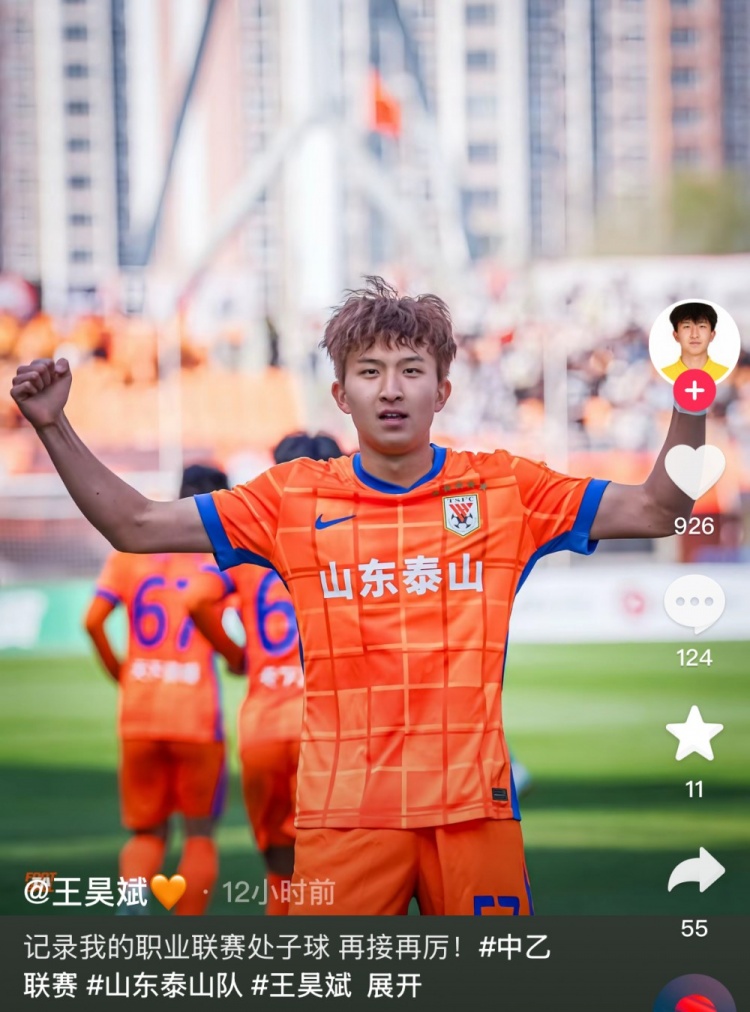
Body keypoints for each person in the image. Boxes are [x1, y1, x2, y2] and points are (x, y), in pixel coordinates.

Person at [11, 276, 705, 915]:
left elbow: (658, 508)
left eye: (411, 371)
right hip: (346, 812)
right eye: (370, 372)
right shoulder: (292, 497)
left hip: (474, 809)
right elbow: (135, 525)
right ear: (341, 394)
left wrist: (692, 391)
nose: (391, 390)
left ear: (443, 390)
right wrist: (52, 425)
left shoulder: (504, 489)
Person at [185, 432, 345, 915]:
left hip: (264, 725)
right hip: (330, 728)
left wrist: (236, 656)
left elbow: (196, 598)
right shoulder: (350, 542)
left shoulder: (254, 540)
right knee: (340, 874)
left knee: (280, 873)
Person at [83, 464, 234, 915]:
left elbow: (92, 621)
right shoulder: (219, 557)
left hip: (140, 711)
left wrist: (124, 675)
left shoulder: (131, 553)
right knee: (200, 835)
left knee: (146, 832)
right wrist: (234, 656)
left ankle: (132, 901)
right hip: (196, 714)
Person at [662, 302, 728, 381]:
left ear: (712, 335)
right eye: (687, 326)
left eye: (702, 326)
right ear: (676, 335)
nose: (694, 335)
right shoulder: (663, 377)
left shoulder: (726, 376)